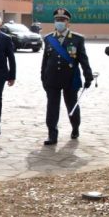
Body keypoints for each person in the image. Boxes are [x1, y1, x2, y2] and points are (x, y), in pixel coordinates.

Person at [40, 8, 93, 145]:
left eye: (63, 20)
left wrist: (88, 76)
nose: (60, 22)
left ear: (68, 22)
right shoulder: (48, 38)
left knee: (72, 105)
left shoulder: (77, 39)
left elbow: (83, 59)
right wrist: (43, 77)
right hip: (52, 78)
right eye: (57, 20)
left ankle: (75, 127)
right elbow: (45, 60)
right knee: (52, 107)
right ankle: (52, 134)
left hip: (70, 79)